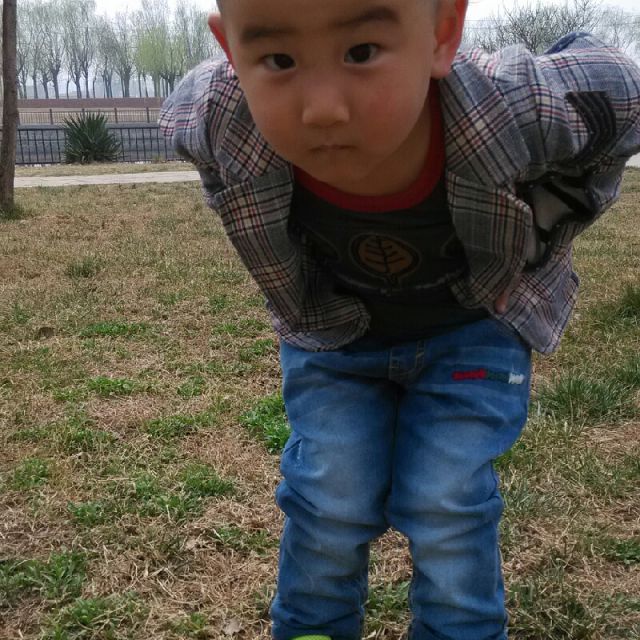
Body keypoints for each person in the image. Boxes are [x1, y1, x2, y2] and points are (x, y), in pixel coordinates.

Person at [159, 1, 640, 638]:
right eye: (278, 59)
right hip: (334, 340)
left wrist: (554, 214)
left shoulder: (509, 106)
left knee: (445, 500)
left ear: (442, 33)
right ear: (231, 54)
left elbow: (625, 92)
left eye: (361, 53)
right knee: (328, 495)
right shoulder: (216, 115)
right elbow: (197, 136)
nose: (323, 108)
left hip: (472, 330)